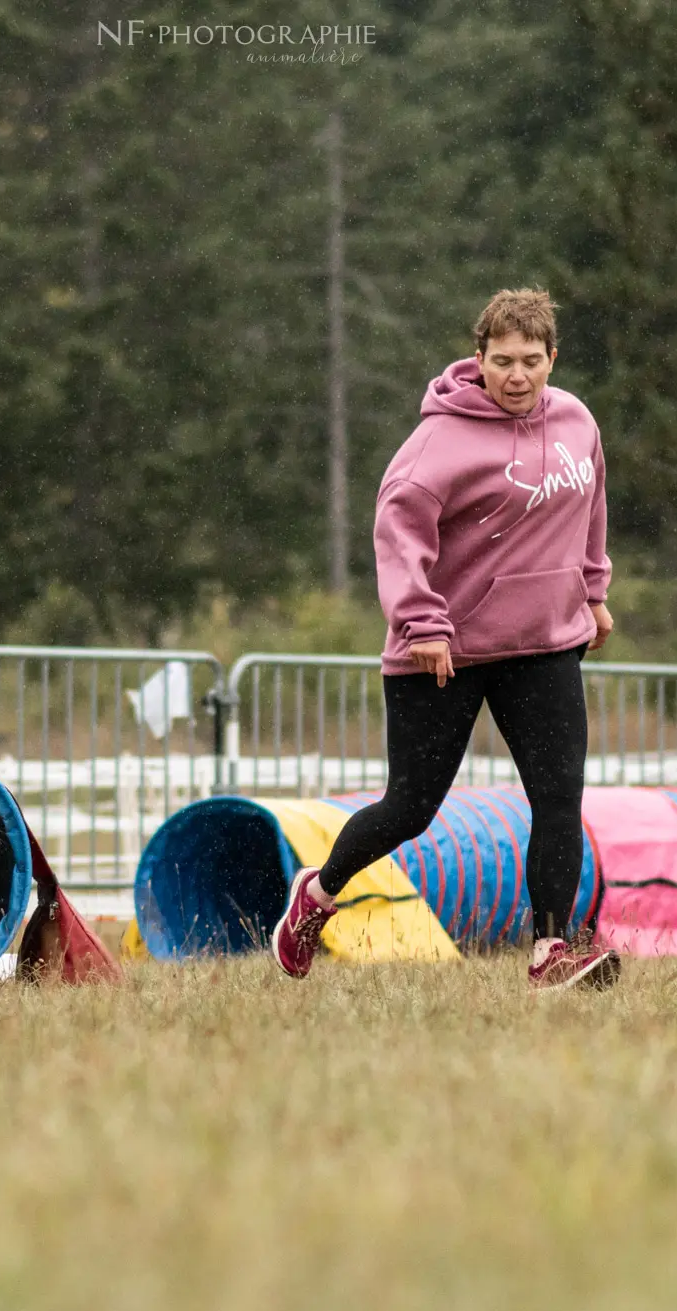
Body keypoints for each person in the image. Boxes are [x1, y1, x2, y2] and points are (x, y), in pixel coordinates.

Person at [272, 288, 621, 991]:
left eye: (530, 361)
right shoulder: (439, 441)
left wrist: (593, 589)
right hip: (444, 651)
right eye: (501, 362)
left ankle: (551, 947)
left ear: (553, 358)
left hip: (543, 645)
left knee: (558, 800)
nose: (516, 376)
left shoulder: (578, 422)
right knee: (411, 808)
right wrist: (422, 622)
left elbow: (591, 507)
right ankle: (317, 895)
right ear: (478, 359)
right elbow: (399, 535)